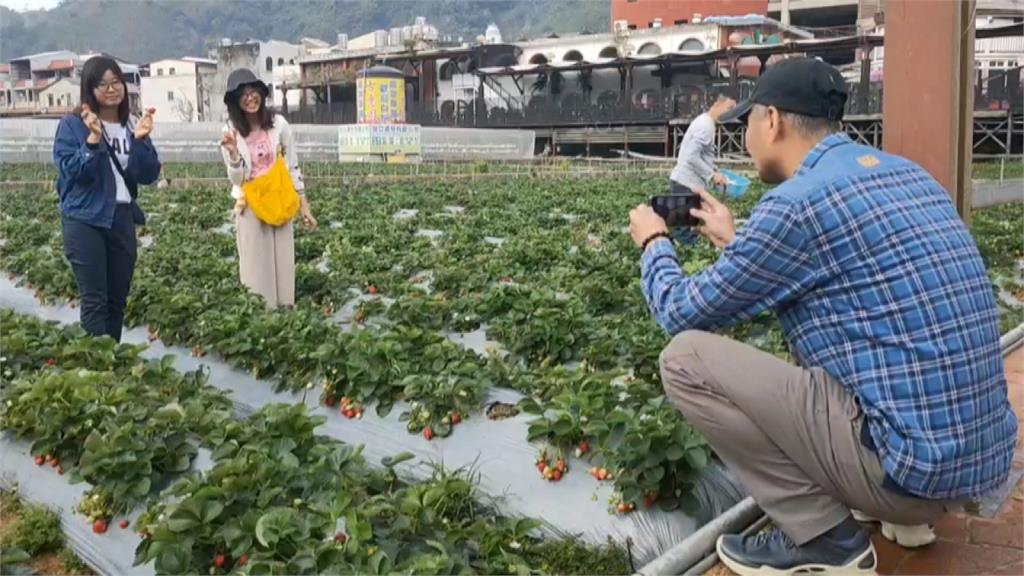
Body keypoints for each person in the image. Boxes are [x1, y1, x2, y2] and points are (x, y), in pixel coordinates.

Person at [628, 58, 1016, 575]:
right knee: (843, 330)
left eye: (748, 122)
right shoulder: (907, 174)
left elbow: (681, 312)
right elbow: (842, 282)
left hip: (907, 475)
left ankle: (826, 539)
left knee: (685, 360)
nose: (744, 135)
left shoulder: (795, 204)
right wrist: (734, 239)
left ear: (773, 121)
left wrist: (654, 242)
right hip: (973, 465)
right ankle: (903, 512)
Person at [53, 56, 160, 342]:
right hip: (84, 219)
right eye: (102, 84)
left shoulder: (131, 125)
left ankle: (110, 364)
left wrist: (139, 141)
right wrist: (92, 141)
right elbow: (72, 172)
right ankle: (95, 371)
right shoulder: (73, 125)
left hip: (121, 218)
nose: (111, 89)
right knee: (95, 300)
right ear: (90, 89)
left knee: (116, 299)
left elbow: (148, 174)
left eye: (116, 83)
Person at [219, 68, 316, 308]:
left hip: (279, 199)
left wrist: (304, 205)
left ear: (262, 94)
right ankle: (261, 316)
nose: (250, 98)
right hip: (251, 205)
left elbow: (292, 165)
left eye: (253, 92)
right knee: (255, 267)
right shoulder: (231, 132)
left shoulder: (278, 124)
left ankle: (284, 313)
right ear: (235, 101)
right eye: (243, 94)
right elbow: (238, 179)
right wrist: (232, 154)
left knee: (282, 263)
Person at [669, 94, 736, 194]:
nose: (730, 113)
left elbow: (699, 155)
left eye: (733, 110)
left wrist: (713, 170)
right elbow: (691, 156)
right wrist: (712, 175)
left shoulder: (706, 121)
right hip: (687, 185)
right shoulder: (705, 126)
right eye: (729, 108)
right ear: (716, 104)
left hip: (687, 184)